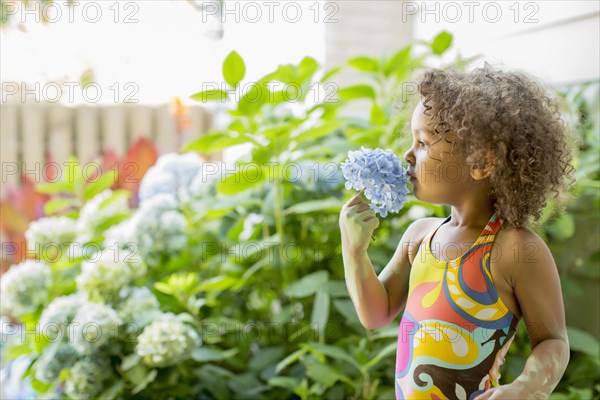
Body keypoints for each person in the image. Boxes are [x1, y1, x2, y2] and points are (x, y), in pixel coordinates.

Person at [339, 64, 578, 399]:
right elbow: (376, 314)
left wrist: (525, 388)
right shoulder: (419, 236)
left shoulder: (515, 250)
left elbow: (553, 341)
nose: (408, 154)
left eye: (423, 142)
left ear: (481, 162)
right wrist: (354, 252)